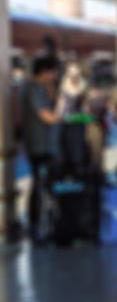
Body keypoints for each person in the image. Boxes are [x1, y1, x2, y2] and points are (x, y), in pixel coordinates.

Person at [22, 56, 60, 240]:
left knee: (42, 184)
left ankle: (41, 221)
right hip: (39, 146)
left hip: (43, 145)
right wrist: (63, 116)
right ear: (44, 72)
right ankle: (35, 223)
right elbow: (46, 116)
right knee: (38, 185)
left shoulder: (40, 89)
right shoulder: (33, 89)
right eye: (53, 72)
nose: (54, 76)